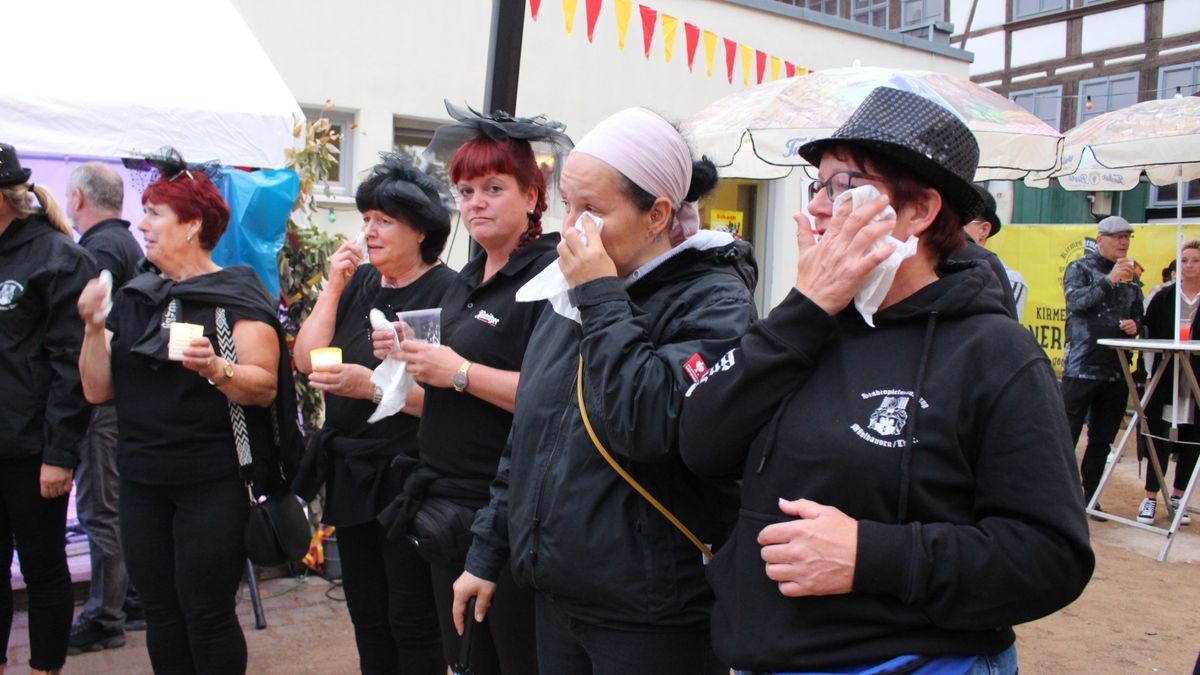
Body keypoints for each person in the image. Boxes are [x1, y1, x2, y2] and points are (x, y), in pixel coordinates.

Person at [678, 87, 1094, 674]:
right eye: (816, 186)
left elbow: (1051, 558)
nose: (818, 208)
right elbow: (702, 444)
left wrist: (871, 556)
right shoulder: (803, 325)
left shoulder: (994, 353)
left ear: (920, 211)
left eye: (846, 186)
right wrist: (806, 308)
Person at [452, 107, 758, 675]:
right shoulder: (570, 291)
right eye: (569, 205)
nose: (572, 228)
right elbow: (529, 437)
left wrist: (600, 296)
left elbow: (647, 421)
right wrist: (486, 552)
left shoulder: (714, 302)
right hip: (560, 593)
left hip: (653, 613)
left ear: (657, 214)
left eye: (592, 210)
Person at [76, 150, 300, 675]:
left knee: (206, 611)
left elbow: (263, 387)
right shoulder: (137, 295)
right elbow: (96, 390)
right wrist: (90, 327)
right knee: (160, 612)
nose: (141, 224)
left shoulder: (236, 293)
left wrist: (215, 368)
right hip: (141, 479)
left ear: (193, 224)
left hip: (211, 481)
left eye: (155, 213)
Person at [373, 102, 570, 675]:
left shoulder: (552, 278)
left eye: (493, 187)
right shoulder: (466, 278)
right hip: (446, 505)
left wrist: (457, 370)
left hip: (508, 510)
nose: (476, 202)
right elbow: (442, 382)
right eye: (465, 191)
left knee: (514, 660)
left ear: (534, 196)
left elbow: (555, 401)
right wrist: (411, 354)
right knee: (463, 660)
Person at [292, 155, 456, 674]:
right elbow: (304, 358)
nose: (369, 231)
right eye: (366, 219)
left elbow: (450, 398)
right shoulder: (361, 282)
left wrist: (369, 388)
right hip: (352, 470)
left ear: (421, 230)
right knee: (366, 613)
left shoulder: (448, 292)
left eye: (384, 220)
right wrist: (334, 286)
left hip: (407, 473)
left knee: (411, 616)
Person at [0, 143, 96, 675]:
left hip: (33, 449)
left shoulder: (58, 258)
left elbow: (69, 368)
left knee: (41, 568)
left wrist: (59, 453)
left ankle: (45, 668)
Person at [64, 162, 145, 656]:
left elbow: (97, 323)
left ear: (76, 200)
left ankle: (104, 615)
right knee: (112, 505)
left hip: (104, 402)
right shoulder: (125, 244)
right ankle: (128, 600)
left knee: (101, 509)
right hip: (119, 399)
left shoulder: (99, 251)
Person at [1062, 215, 1143, 509]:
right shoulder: (1080, 267)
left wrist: (1135, 325)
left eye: (1127, 237)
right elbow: (1076, 302)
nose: (1123, 242)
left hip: (1116, 370)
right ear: (1100, 240)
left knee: (1102, 440)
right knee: (1065, 435)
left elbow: (1139, 316)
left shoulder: (1132, 276)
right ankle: (1057, 496)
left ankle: (1090, 496)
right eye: (1117, 237)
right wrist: (1109, 280)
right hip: (1081, 368)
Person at [1136, 240, 1200, 527]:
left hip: (1195, 380)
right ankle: (1150, 496)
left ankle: (1178, 495)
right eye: (1184, 260)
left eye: (1195, 261)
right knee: (1159, 435)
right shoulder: (1164, 297)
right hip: (1167, 376)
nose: (1189, 266)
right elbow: (1148, 330)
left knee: (1192, 438)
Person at [961, 183, 1028, 321]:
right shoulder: (931, 267)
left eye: (961, 222)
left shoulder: (1009, 280)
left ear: (984, 230)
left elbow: (1004, 332)